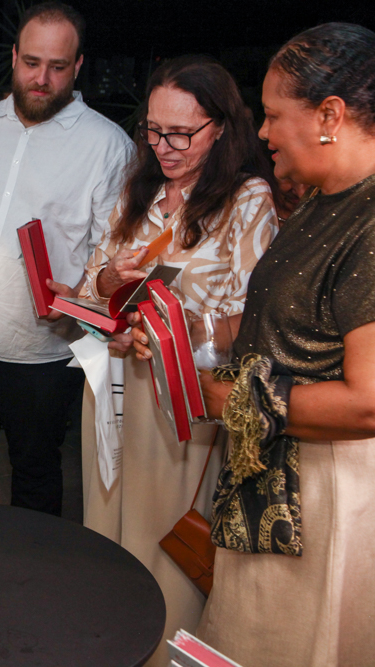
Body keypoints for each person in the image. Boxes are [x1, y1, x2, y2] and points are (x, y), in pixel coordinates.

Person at [77, 55, 279, 666]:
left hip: (183, 396)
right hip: (111, 383)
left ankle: (164, 652)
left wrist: (187, 327)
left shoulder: (246, 199)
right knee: (105, 526)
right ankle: (107, 645)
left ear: (221, 128)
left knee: (163, 537)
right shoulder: (134, 191)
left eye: (181, 134)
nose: (163, 147)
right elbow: (88, 289)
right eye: (154, 130)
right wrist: (109, 283)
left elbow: (256, 317)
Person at [197, 24, 375, 666]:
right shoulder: (325, 202)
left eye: (273, 115)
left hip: (324, 497)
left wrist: (237, 403)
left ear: (330, 115)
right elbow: (286, 327)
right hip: (279, 483)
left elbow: (368, 402)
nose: (264, 132)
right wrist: (194, 338)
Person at [0, 1, 134, 515]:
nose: (42, 79)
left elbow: (115, 254)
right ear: (13, 57)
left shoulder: (107, 145)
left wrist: (82, 298)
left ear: (79, 66)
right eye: (31, 62)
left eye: (57, 66)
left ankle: (36, 567)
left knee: (36, 476)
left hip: (42, 355)